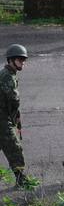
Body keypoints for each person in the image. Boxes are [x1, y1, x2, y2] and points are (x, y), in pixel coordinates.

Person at [0, 44, 34, 187]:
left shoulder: (8, 74)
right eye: (20, 60)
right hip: (2, 117)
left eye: (23, 60)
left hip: (4, 115)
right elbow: (13, 99)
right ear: (11, 60)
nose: (22, 62)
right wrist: (15, 117)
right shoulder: (7, 76)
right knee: (14, 147)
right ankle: (21, 178)